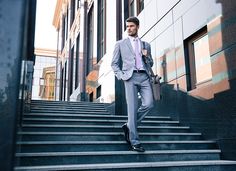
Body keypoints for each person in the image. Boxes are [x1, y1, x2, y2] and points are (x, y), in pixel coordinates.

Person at [111, 16, 154, 152]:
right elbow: (114, 63)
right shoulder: (120, 44)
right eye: (127, 26)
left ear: (137, 27)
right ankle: (135, 141)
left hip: (144, 76)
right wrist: (121, 76)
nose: (128, 29)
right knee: (132, 109)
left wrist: (146, 56)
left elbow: (151, 63)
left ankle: (129, 125)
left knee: (149, 104)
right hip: (130, 77)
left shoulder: (146, 44)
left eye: (131, 26)